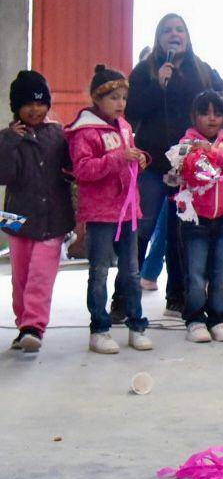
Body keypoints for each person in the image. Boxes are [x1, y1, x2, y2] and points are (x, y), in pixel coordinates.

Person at [125, 14, 223, 319]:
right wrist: (158, 84)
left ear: (188, 36)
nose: (174, 34)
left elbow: (220, 98)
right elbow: (131, 110)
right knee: (142, 228)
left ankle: (177, 296)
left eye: (179, 30)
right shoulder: (145, 70)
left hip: (189, 165)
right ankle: (125, 297)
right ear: (158, 37)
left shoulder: (201, 70)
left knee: (180, 231)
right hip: (153, 162)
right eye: (167, 30)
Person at [66, 65, 152, 355]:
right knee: (100, 270)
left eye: (123, 98)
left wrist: (139, 159)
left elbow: (127, 160)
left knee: (132, 272)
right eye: (114, 97)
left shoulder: (125, 127)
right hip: (101, 215)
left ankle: (136, 325)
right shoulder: (85, 131)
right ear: (97, 98)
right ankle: (99, 328)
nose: (120, 104)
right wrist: (118, 158)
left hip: (128, 211)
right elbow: (83, 170)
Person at [0, 71, 75, 352]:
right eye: (27, 104)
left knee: (41, 275)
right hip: (16, 218)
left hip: (52, 219)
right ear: (16, 107)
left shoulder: (58, 134)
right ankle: (23, 325)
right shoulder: (7, 138)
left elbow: (71, 169)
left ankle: (34, 325)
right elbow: (4, 176)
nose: (35, 109)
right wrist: (8, 142)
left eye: (40, 103)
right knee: (20, 276)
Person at [167, 90, 223, 343]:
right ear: (194, 117)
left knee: (222, 274)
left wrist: (212, 151)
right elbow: (187, 169)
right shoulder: (186, 143)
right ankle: (195, 319)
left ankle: (218, 318)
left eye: (217, 113)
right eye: (205, 113)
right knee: (196, 273)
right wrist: (200, 153)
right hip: (194, 220)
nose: (212, 118)